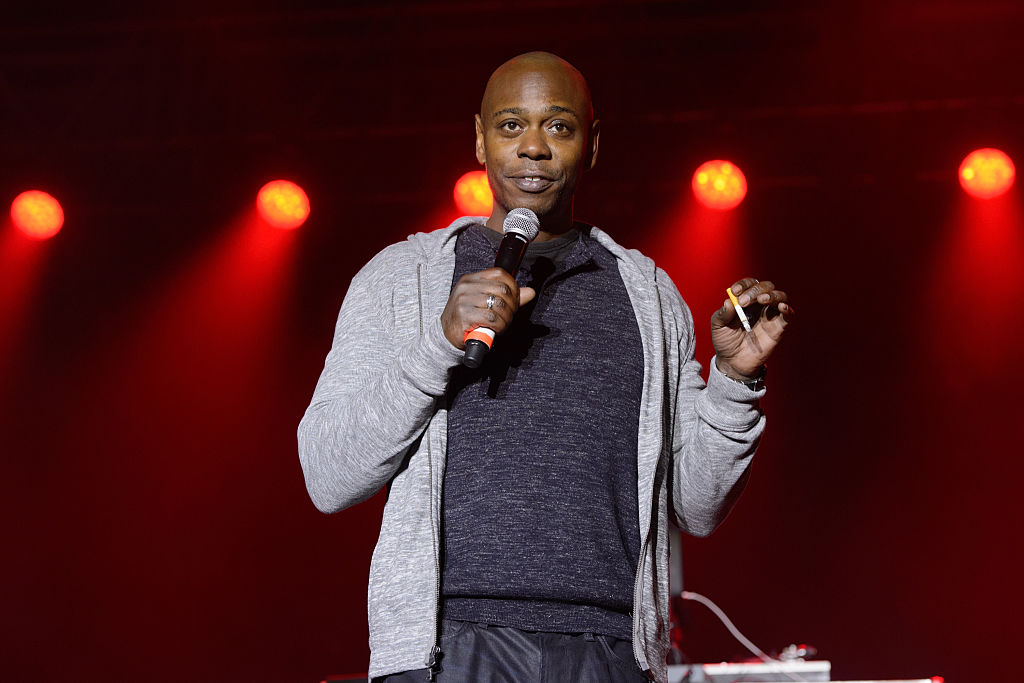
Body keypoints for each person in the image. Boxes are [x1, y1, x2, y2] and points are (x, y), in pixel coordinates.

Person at [298, 51, 792, 683]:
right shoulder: (404, 279)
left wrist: (732, 384)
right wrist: (441, 342)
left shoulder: (649, 296)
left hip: (611, 648)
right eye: (510, 126)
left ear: (591, 146)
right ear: (479, 139)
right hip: (447, 646)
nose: (533, 147)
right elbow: (327, 474)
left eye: (558, 126)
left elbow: (696, 508)